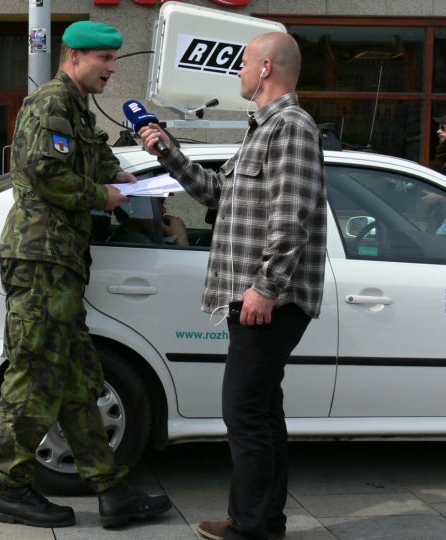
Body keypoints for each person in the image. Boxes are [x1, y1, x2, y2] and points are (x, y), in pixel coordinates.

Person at [139, 32, 326, 540]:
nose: (238, 73)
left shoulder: (290, 127)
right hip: (255, 295)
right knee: (261, 412)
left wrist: (265, 288)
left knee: (244, 411)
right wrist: (169, 152)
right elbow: (220, 192)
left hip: (270, 298)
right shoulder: (262, 130)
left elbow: (294, 217)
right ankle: (263, 520)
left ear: (265, 68)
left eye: (243, 64)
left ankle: (250, 528)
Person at [0, 20, 172, 530]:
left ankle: (110, 489)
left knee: (77, 378)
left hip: (62, 263)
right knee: (33, 377)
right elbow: (44, 172)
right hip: (40, 261)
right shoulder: (49, 103)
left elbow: (90, 155)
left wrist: (122, 176)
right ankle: (13, 489)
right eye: (105, 60)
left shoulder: (74, 108)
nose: (113, 70)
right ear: (73, 56)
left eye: (114, 60)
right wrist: (103, 196)